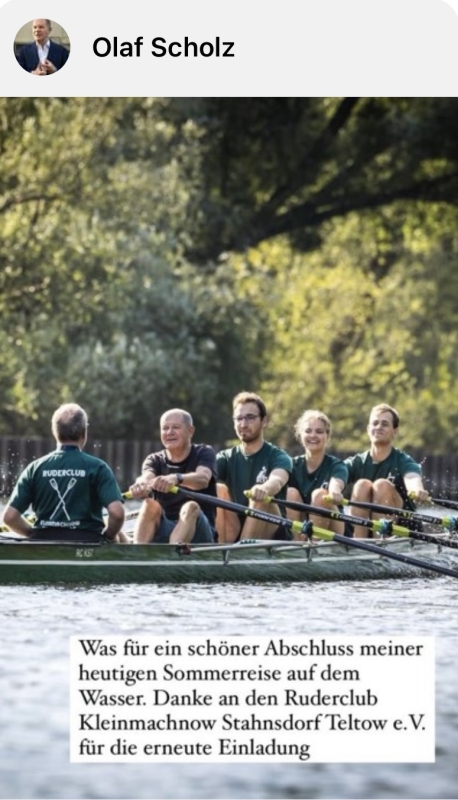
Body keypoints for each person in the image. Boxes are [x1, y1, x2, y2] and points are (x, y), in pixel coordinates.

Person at [1, 403, 125, 542]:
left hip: (43, 543)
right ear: (84, 433)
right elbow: (117, 514)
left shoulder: (34, 468)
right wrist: (108, 536)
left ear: (55, 433)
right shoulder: (98, 467)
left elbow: (10, 518)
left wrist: (33, 533)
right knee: (119, 537)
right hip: (88, 542)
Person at [129, 408, 217, 545]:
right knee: (149, 504)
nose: (169, 432)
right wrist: (140, 485)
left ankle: (172, 555)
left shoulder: (204, 452)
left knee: (191, 506)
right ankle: (136, 554)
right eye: (165, 428)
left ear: (190, 431)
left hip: (199, 531)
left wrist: (176, 478)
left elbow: (203, 479)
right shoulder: (154, 459)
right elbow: (145, 478)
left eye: (176, 427)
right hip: (165, 527)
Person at [216, 391, 292, 542]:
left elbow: (277, 480)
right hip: (236, 528)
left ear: (264, 421)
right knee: (218, 489)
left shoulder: (278, 456)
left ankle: (239, 555)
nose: (243, 424)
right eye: (239, 419)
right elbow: (204, 477)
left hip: (272, 532)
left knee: (261, 498)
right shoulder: (225, 457)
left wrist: (264, 488)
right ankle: (220, 553)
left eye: (250, 418)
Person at [344, 403, 429, 538]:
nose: (378, 427)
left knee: (381, 485)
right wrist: (334, 489)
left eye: (384, 424)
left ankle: (380, 542)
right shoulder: (357, 462)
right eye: (375, 423)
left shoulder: (402, 460)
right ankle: (360, 542)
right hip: (366, 532)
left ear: (395, 431)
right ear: (368, 429)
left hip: (402, 528)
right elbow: (335, 475)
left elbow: (412, 477)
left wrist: (416, 489)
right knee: (361, 485)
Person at [287, 410, 348, 537]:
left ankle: (314, 546)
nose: (313, 435)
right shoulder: (291, 465)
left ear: (327, 436)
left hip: (333, 526)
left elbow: (336, 483)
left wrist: (334, 492)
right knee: (290, 493)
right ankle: (296, 546)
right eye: (308, 431)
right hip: (301, 524)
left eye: (319, 432)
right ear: (300, 435)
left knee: (320, 495)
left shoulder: (336, 465)